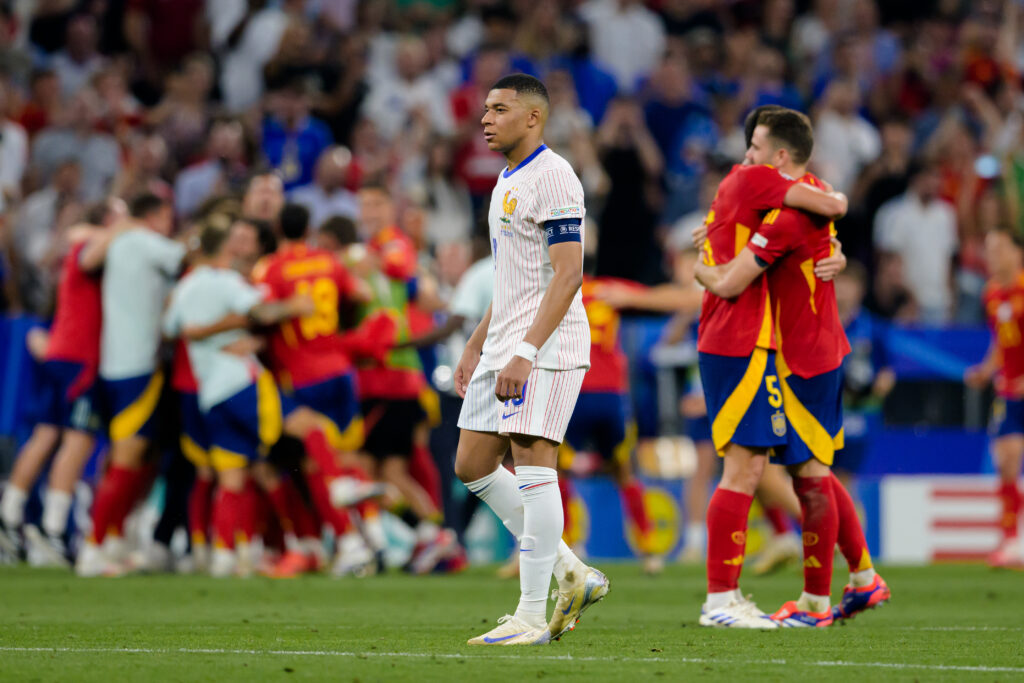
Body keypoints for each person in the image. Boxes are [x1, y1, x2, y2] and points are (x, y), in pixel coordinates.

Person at [695, 108, 889, 627]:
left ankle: (818, 601)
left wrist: (702, 270)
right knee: (804, 470)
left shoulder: (784, 211)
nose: (746, 158)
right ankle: (856, 581)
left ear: (780, 158)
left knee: (806, 472)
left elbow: (735, 278)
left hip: (799, 354)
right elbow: (831, 209)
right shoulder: (802, 192)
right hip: (800, 349)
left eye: (755, 148)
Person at [452, 73, 607, 646]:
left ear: (533, 117)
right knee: (471, 463)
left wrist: (524, 351)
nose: (486, 119)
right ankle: (571, 571)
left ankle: (531, 616)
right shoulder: (506, 180)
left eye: (499, 109)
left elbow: (568, 274)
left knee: (535, 466)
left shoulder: (555, 176)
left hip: (546, 348)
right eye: (485, 110)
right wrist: (477, 343)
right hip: (503, 345)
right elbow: (514, 278)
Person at [163, 222, 324, 577]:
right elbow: (261, 311)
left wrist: (207, 336)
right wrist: (294, 306)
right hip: (242, 384)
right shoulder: (226, 282)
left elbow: (172, 328)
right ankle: (307, 544)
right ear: (227, 251)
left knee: (232, 478)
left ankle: (225, 558)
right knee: (303, 438)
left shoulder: (186, 286)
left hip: (210, 395)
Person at [252, 203, 385, 578]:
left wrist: (285, 310)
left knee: (316, 462)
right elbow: (360, 294)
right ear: (310, 227)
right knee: (342, 457)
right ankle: (374, 540)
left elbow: (257, 312)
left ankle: (349, 542)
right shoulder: (329, 262)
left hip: (302, 375)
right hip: (341, 371)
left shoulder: (271, 268)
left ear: (278, 227)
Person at [0, 199, 125, 565]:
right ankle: (52, 532)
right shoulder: (92, 246)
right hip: (79, 360)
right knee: (78, 441)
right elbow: (85, 234)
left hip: (60, 351)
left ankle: (9, 519)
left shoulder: (83, 244)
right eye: (119, 216)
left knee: (46, 435)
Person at [76, 193, 184, 577]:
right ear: (156, 215)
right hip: (138, 365)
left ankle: (114, 539)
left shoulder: (119, 244)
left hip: (115, 363)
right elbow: (186, 259)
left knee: (138, 458)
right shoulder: (145, 241)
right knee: (127, 458)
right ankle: (93, 547)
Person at [965, 227, 1024, 568]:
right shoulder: (991, 294)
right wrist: (986, 370)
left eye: (1001, 248)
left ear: (1017, 253)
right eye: (989, 249)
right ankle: (1011, 541)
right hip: (1009, 393)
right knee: (1007, 461)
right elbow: (1001, 343)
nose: (993, 256)